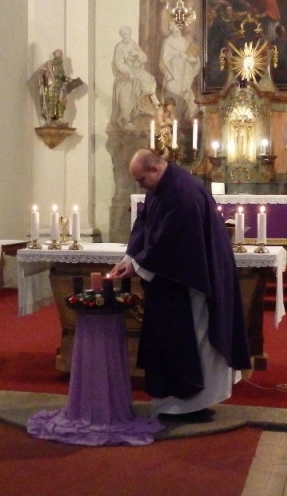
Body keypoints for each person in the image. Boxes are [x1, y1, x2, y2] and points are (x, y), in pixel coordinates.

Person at [109, 149, 251, 421]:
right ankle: (178, 403)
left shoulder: (183, 192)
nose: (141, 186)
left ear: (155, 169)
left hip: (193, 281)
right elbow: (144, 223)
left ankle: (190, 405)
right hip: (175, 278)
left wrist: (137, 265)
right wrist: (130, 258)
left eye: (141, 179)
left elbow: (172, 241)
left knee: (194, 340)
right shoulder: (162, 186)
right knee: (173, 340)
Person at [111, 26, 159, 130]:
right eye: (123, 34)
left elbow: (144, 59)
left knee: (148, 82)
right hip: (125, 75)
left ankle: (145, 108)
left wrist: (137, 53)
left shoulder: (133, 44)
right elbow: (119, 64)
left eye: (126, 33)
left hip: (136, 72)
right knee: (126, 96)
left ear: (130, 33)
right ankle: (125, 119)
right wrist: (129, 72)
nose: (125, 36)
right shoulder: (119, 47)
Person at [159, 21, 201, 121]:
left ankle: (182, 122)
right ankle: (170, 122)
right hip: (173, 74)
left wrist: (193, 59)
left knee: (186, 97)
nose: (171, 26)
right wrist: (168, 73)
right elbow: (163, 60)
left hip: (184, 74)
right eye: (171, 25)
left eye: (174, 24)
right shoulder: (167, 42)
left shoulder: (184, 41)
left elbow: (191, 57)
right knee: (172, 97)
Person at [38, 49, 70, 123]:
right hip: (51, 84)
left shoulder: (61, 66)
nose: (61, 55)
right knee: (51, 100)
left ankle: (60, 117)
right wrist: (40, 77)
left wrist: (69, 79)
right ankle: (49, 117)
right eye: (59, 53)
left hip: (60, 85)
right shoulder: (49, 63)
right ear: (54, 55)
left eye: (61, 54)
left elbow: (62, 77)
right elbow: (41, 72)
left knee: (62, 100)